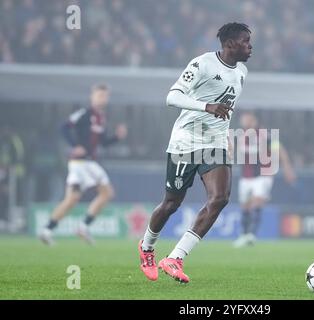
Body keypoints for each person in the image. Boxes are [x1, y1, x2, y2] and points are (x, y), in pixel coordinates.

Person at [138, 22, 252, 283]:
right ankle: (146, 248)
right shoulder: (202, 64)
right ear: (230, 44)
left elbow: (226, 111)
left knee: (220, 198)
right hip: (185, 142)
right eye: (246, 41)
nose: (250, 46)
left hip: (214, 143)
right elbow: (172, 96)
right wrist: (206, 106)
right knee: (171, 204)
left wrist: (225, 138)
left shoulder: (242, 72)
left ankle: (175, 258)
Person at [39, 84, 127, 245]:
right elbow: (64, 127)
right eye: (99, 95)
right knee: (107, 193)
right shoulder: (84, 113)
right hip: (84, 162)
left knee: (72, 199)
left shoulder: (101, 118)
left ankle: (47, 230)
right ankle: (83, 226)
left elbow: (103, 143)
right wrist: (75, 145)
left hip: (83, 163)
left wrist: (117, 137)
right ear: (92, 97)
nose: (103, 99)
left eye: (105, 96)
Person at [233, 111, 296, 247]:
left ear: (252, 119)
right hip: (246, 176)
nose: (243, 121)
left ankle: (252, 235)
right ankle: (244, 235)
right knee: (245, 205)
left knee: (257, 202)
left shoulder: (264, 134)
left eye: (246, 118)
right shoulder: (241, 135)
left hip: (263, 175)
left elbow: (280, 150)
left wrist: (287, 168)